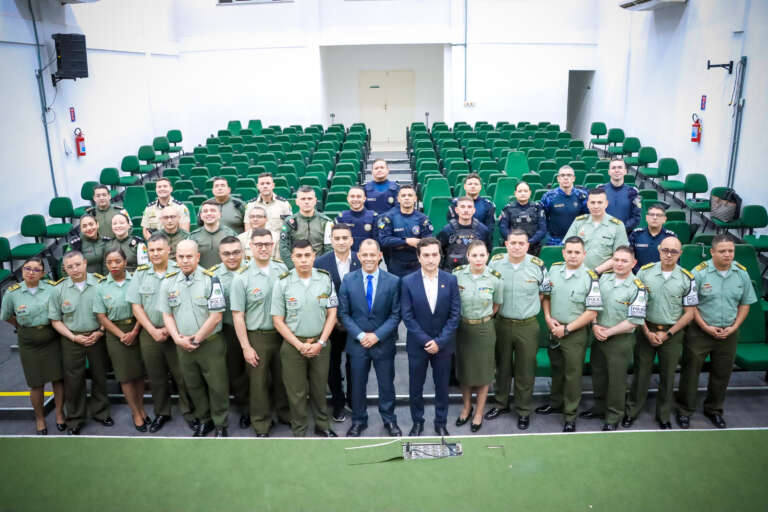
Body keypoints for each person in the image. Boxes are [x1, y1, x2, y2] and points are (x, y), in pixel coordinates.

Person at [676, 234, 757, 429]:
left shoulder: (741, 273)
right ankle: (684, 410)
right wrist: (705, 327)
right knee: (691, 372)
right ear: (712, 252)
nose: (728, 255)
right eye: (722, 251)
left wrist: (735, 327)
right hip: (700, 332)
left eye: (731, 251)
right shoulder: (699, 273)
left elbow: (745, 303)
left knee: (722, 374)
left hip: (728, 332)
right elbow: (691, 305)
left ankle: (714, 409)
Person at [159, 240, 230, 437]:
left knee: (217, 386)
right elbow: (167, 314)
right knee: (193, 385)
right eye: (180, 257)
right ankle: (204, 420)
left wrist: (197, 339)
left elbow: (216, 315)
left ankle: (221, 424)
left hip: (209, 344)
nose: (184, 260)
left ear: (198, 257)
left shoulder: (211, 280)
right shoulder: (169, 282)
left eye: (189, 256)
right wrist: (177, 339)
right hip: (182, 345)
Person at [624, 236, 697, 429]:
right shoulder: (644, 273)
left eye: (673, 251)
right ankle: (632, 411)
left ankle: (663, 415)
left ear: (680, 254)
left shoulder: (687, 278)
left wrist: (669, 334)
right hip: (645, 329)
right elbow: (635, 306)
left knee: (668, 375)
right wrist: (647, 332)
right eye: (665, 250)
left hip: (672, 334)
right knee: (641, 374)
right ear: (659, 250)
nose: (668, 254)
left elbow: (689, 313)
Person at [127, 233, 196, 433]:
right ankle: (162, 413)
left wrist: (168, 329)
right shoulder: (141, 274)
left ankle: (189, 411)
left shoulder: (179, 271)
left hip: (177, 333)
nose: (155, 253)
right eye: (152, 250)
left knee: (182, 375)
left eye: (159, 249)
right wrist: (152, 330)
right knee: (156, 377)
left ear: (168, 251)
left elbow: (187, 302)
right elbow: (136, 306)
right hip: (150, 334)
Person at [271, 240, 339, 437]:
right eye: (299, 256)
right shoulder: (282, 282)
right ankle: (299, 428)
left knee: (319, 388)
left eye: (307, 255)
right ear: (292, 258)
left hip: (321, 343)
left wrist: (321, 342)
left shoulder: (325, 279)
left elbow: (332, 314)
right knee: (296, 391)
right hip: (293, 346)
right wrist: (299, 345)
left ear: (314, 256)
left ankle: (322, 425)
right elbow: (277, 320)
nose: (303, 260)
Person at [485, 230, 550, 430]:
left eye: (521, 243)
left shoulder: (537, 266)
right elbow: (487, 288)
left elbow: (544, 293)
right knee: (502, 368)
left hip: (527, 326)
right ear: (506, 243)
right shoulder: (495, 263)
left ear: (528, 245)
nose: (516, 246)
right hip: (502, 323)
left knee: (525, 370)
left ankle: (523, 410)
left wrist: (526, 307)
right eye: (513, 242)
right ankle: (501, 403)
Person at [536, 236, 602, 432]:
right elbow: (546, 297)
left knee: (573, 376)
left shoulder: (591, 277)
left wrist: (566, 329)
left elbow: (592, 312)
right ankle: (555, 403)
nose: (573, 256)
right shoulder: (554, 270)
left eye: (577, 252)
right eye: (569, 252)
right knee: (557, 371)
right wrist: (548, 318)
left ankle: (570, 414)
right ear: (563, 253)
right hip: (554, 330)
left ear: (584, 254)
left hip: (574, 333)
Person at [338, 239, 402, 437]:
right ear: (358, 256)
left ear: (380, 256)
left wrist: (377, 336)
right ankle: (359, 420)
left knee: (386, 385)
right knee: (356, 385)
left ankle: (389, 420)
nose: (368, 258)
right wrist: (360, 334)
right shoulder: (348, 280)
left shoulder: (393, 281)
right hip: (357, 344)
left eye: (372, 254)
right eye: (364, 255)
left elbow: (396, 314)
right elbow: (343, 314)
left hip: (383, 343)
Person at [231, 228, 290, 437]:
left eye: (267, 244)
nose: (264, 248)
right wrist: (246, 347)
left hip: (283, 335)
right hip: (258, 336)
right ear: (251, 247)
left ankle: (284, 414)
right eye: (259, 244)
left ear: (273, 245)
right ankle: (261, 422)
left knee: (284, 379)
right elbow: (238, 315)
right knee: (258, 383)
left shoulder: (282, 270)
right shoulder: (241, 278)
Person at [580, 246, 646, 431]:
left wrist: (607, 332)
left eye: (624, 261)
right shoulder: (604, 279)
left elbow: (634, 321)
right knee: (599, 375)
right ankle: (600, 407)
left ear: (633, 263)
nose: (619, 264)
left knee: (616, 381)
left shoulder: (637, 287)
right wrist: (594, 325)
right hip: (599, 334)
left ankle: (614, 415)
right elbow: (592, 303)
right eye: (616, 259)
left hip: (620, 340)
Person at [400, 238, 461, 436]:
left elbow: (455, 314)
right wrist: (427, 341)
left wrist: (440, 341)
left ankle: (440, 422)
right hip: (418, 345)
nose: (431, 259)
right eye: (426, 255)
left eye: (435, 254)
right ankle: (417, 422)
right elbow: (407, 316)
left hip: (443, 346)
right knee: (415, 387)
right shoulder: (408, 282)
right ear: (419, 257)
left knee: (442, 387)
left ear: (440, 255)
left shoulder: (450, 280)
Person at [48, 251, 111, 435]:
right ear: (64, 269)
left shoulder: (100, 284)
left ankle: (101, 412)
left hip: (97, 337)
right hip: (71, 339)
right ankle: (75, 418)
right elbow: (55, 320)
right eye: (69, 267)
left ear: (85, 263)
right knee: (73, 381)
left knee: (100, 376)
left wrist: (100, 332)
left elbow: (108, 313)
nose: (74, 269)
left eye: (77, 264)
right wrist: (73, 337)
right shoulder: (58, 289)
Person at [1, 257, 65, 435]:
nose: (31, 272)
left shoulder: (52, 289)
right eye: (27, 268)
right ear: (22, 271)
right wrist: (20, 326)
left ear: (43, 273)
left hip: (52, 337)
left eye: (36, 270)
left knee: (58, 379)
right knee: (36, 383)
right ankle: (40, 418)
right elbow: (6, 315)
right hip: (29, 342)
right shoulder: (12, 293)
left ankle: (59, 414)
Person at [94, 248, 149, 431]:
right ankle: (135, 412)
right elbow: (102, 317)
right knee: (125, 377)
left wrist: (134, 331)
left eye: (117, 261)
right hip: (115, 334)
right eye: (110, 262)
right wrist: (121, 335)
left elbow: (143, 308)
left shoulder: (137, 280)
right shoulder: (101, 286)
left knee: (139, 374)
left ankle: (141, 407)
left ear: (125, 262)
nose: (114, 265)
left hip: (138, 328)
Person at [452, 240, 502, 433]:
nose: (478, 259)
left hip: (484, 329)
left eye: (482, 255)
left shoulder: (495, 278)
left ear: (487, 256)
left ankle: (479, 412)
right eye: (474, 255)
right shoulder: (457, 276)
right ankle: (466, 407)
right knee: (465, 372)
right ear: (467, 257)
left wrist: (485, 317)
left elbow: (497, 305)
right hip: (462, 328)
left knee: (483, 373)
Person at [314, 224, 359, 422]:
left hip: (356, 324)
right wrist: (334, 319)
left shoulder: (361, 259)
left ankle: (353, 400)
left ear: (351, 240)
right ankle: (338, 403)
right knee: (332, 366)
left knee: (354, 364)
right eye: (337, 238)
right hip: (329, 324)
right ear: (331, 240)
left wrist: (348, 320)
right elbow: (317, 295)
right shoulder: (320, 263)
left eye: (344, 238)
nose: (341, 241)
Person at [209, 236, 250, 428]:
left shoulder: (252, 270)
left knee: (257, 373)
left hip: (253, 327)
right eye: (226, 253)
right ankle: (245, 408)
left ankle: (257, 408)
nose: (232, 257)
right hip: (228, 330)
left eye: (236, 252)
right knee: (236, 372)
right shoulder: (213, 276)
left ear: (242, 252)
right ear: (219, 255)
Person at [564, 188, 629, 273]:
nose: (596, 206)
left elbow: (620, 256)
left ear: (606, 204)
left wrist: (596, 272)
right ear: (588, 204)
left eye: (600, 202)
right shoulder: (578, 222)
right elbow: (568, 249)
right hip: (579, 273)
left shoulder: (617, 226)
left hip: (604, 276)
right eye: (592, 202)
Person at [378, 185, 433, 277]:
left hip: (417, 263)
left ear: (415, 198)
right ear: (398, 199)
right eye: (403, 196)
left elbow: (429, 241)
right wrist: (407, 241)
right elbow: (384, 240)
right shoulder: (388, 218)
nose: (406, 198)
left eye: (410, 195)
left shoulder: (423, 219)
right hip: (396, 263)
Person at [278, 186, 333, 269]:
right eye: (303, 199)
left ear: (315, 201)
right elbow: (283, 247)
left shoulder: (326, 222)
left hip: (319, 268)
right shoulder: (289, 222)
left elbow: (329, 249)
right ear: (297, 202)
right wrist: (294, 268)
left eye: (309, 199)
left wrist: (320, 269)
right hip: (296, 268)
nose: (306, 202)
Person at [437, 196, 491, 271]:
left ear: (474, 210)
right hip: (452, 273)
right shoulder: (447, 230)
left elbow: (488, 251)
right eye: (462, 207)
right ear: (456, 210)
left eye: (469, 207)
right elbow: (439, 252)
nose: (466, 210)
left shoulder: (483, 230)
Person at [540, 166, 588, 246]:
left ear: (574, 178)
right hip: (554, 241)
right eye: (562, 175)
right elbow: (542, 219)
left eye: (569, 175)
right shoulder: (549, 196)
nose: (566, 178)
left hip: (576, 240)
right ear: (558, 178)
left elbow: (587, 218)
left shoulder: (582, 196)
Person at [498, 181, 547, 254]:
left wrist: (529, 243)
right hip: (514, 247)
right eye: (520, 191)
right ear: (515, 193)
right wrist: (515, 242)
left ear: (530, 193)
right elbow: (503, 229)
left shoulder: (538, 208)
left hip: (534, 247)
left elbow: (542, 229)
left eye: (525, 191)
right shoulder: (507, 208)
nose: (523, 193)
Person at [629, 204, 677, 273]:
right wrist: (640, 273)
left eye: (658, 215)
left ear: (664, 219)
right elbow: (629, 258)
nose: (655, 217)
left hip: (662, 278)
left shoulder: (670, 237)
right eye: (652, 215)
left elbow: (674, 261)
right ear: (646, 218)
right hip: (638, 276)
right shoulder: (636, 234)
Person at [190, 199, 238, 269]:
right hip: (201, 277)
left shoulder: (230, 235)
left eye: (213, 210)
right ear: (201, 215)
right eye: (205, 211)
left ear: (220, 214)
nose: (209, 213)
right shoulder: (193, 237)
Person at [599, 157, 641, 233]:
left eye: (620, 167)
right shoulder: (600, 190)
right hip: (603, 234)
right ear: (609, 172)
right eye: (613, 168)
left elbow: (636, 217)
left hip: (625, 235)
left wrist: (621, 228)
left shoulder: (633, 193)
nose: (617, 170)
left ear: (625, 171)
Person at [336, 186, 378, 252]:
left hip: (368, 257)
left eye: (359, 196)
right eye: (352, 196)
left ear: (364, 199)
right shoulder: (341, 217)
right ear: (348, 198)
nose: (355, 199)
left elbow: (377, 241)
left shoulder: (374, 216)